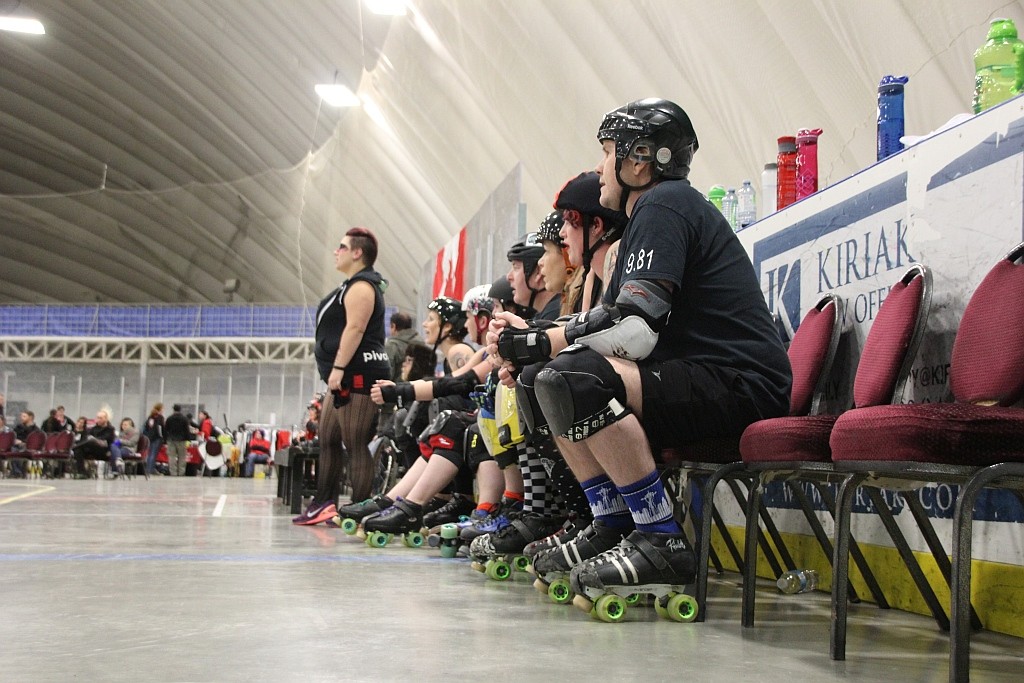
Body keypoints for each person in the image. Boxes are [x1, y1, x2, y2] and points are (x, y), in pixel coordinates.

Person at [489, 98, 792, 602]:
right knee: (541, 380)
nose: (600, 167)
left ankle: (659, 536)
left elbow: (634, 330)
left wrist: (541, 340)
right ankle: (612, 520)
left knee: (572, 378)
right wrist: (538, 348)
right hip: (702, 378)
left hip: (741, 384)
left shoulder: (666, 203)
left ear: (639, 160)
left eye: (607, 151)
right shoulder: (644, 222)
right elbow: (607, 325)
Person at [293, 227, 392, 526]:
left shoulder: (363, 286)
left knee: (355, 441)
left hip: (357, 373)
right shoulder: (349, 285)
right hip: (343, 376)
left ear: (357, 253)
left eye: (342, 247)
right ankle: (324, 502)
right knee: (329, 439)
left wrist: (338, 368)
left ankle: (361, 509)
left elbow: (356, 328)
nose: (336, 252)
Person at [507, 232, 561, 321]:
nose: (509, 277)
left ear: (538, 272)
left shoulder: (555, 316)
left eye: (516, 267)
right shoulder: (545, 313)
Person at [72, 409, 117, 477]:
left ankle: (73, 447)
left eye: (100, 418)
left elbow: (105, 440)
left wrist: (94, 439)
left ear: (106, 419)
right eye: (97, 417)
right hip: (91, 449)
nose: (98, 419)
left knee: (89, 442)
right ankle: (82, 473)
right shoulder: (94, 428)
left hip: (103, 451)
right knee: (78, 450)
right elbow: (87, 437)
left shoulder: (110, 429)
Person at [384, 311, 422, 381]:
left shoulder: (391, 346)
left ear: (393, 326)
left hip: (398, 389)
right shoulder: (422, 344)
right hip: (421, 389)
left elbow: (387, 374)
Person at [164, 404, 193, 477]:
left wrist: (165, 440)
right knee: (182, 457)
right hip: (182, 440)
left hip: (171, 440)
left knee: (172, 457)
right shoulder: (184, 419)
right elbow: (187, 430)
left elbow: (165, 430)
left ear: (173, 409)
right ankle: (181, 473)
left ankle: (173, 473)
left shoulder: (169, 418)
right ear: (180, 410)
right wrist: (189, 439)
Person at [142, 403, 165, 475]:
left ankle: (148, 469)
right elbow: (160, 428)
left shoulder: (150, 417)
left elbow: (146, 428)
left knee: (150, 454)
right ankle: (150, 470)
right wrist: (163, 437)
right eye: (162, 409)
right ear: (160, 409)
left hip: (149, 438)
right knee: (153, 454)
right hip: (157, 438)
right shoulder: (160, 417)